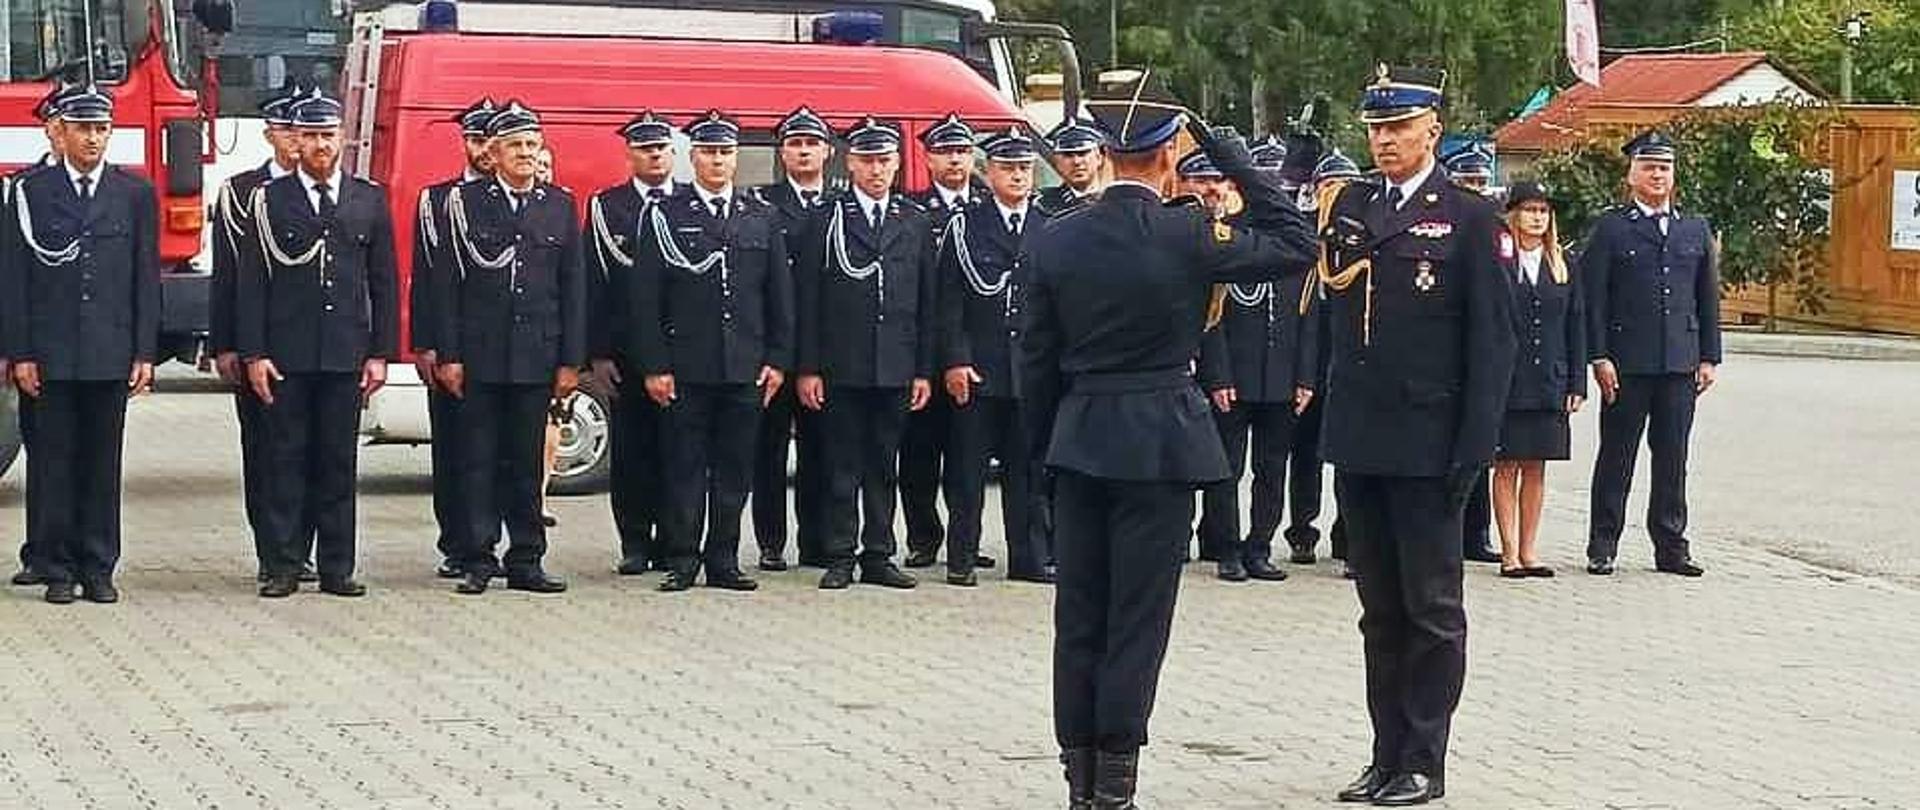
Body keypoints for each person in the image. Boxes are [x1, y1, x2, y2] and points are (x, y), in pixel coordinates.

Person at [1020, 68, 1317, 808]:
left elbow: (1035, 358)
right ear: (1165, 156)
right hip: (1159, 441)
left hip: (1081, 436)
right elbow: (1294, 237)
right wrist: (1223, 146)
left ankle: (1080, 779)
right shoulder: (1190, 232)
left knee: (1079, 617)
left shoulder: (1056, 239)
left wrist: (1042, 451)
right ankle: (1116, 784)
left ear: (1107, 153)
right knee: (1137, 622)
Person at [1316, 65, 1514, 806]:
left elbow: (1493, 347)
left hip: (1432, 444)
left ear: (1432, 129)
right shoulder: (1353, 204)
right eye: (1374, 128)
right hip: (1362, 436)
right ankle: (1385, 751)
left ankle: (1425, 758)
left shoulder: (1467, 219)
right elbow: (1330, 320)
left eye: (1398, 128)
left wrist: (1475, 448)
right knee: (1380, 611)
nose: (1384, 141)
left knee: (1431, 609)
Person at [3, 85, 161, 605]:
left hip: (108, 353)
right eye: (84, 129)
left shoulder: (132, 194)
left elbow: (144, 280)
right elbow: (14, 279)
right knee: (53, 463)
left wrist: (143, 352)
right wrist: (20, 352)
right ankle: (58, 567)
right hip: (49, 354)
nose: (94, 139)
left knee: (101, 464)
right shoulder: (30, 192)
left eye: (101, 129)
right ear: (60, 132)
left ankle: (99, 566)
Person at [238, 89, 398, 598]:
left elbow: (383, 282)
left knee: (336, 463)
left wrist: (380, 353)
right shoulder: (268, 200)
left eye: (328, 135)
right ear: (296, 142)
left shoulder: (367, 199)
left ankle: (337, 567)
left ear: (343, 140)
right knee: (285, 461)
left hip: (344, 353)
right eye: (310, 136)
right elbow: (252, 283)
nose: (320, 145)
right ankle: (284, 565)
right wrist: (255, 354)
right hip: (287, 354)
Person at [631, 110, 794, 593]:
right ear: (692, 157)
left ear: (736, 157)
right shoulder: (666, 215)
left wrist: (778, 359)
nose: (718, 161)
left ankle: (723, 558)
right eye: (708, 152)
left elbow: (778, 297)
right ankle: (682, 558)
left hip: (744, 366)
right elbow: (646, 300)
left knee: (734, 469)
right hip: (687, 365)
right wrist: (655, 365)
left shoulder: (760, 215)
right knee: (684, 468)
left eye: (725, 152)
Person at [431, 101, 585, 596]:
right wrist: (449, 354)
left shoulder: (558, 205)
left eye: (531, 144)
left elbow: (573, 288)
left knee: (525, 462)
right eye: (514, 145)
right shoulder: (466, 205)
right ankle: (478, 557)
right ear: (492, 154)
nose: (524, 153)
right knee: (478, 460)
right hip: (480, 355)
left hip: (536, 355)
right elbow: (447, 287)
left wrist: (569, 360)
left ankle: (527, 558)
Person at [793, 116, 934, 592]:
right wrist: (808, 366)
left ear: (897, 164)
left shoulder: (912, 220)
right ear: (850, 163)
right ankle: (839, 554)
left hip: (895, 363)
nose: (877, 170)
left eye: (885, 161)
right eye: (868, 160)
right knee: (840, 465)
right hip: (841, 364)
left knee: (883, 464)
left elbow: (926, 302)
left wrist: (921, 369)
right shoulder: (825, 219)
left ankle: (878, 553)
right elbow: (807, 299)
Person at [1583, 131, 1721, 578]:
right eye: (1649, 167)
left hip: (1679, 363)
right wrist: (1598, 355)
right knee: (1617, 456)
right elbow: (1594, 298)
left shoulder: (1693, 229)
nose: (1657, 175)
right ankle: (1603, 543)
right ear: (1631, 175)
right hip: (1627, 363)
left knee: (1673, 458)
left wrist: (1708, 357)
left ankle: (1671, 546)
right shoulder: (1612, 228)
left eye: (1664, 168)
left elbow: (1706, 297)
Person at [1189, 148, 1321, 585]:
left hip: (1282, 378)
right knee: (1226, 467)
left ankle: (1260, 546)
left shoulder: (1295, 247)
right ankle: (1226, 548)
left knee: (1272, 469)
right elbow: (1212, 321)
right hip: (1236, 377)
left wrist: (1305, 377)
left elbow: (1309, 321)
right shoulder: (1228, 239)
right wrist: (1219, 375)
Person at [934, 126, 1053, 587]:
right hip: (979, 367)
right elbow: (949, 302)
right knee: (967, 470)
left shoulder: (1047, 225)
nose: (1019, 176)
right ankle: (962, 556)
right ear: (989, 173)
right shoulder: (966, 225)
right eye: (1009, 168)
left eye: (1025, 168)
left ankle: (1028, 557)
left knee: (1028, 473)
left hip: (1030, 369)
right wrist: (955, 360)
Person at [212, 88, 311, 585]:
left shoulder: (337, 192)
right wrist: (227, 344)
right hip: (260, 345)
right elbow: (229, 277)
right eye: (289, 130)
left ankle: (306, 548)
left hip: (318, 345)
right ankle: (274, 547)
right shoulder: (241, 191)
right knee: (268, 452)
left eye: (308, 131)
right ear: (270, 135)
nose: (300, 142)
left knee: (317, 454)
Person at [585, 110, 679, 575]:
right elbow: (595, 284)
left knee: (678, 454)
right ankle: (636, 542)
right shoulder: (608, 207)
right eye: (645, 148)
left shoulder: (687, 203)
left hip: (683, 351)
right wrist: (597, 352)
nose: (654, 154)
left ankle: (675, 541)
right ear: (630, 154)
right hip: (625, 353)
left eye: (661, 147)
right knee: (633, 455)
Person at [414, 96, 497, 580]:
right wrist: (427, 343)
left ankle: (494, 542)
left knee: (502, 455)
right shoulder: (438, 199)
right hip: (453, 345)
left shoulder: (528, 195)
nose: (485, 150)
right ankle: (457, 543)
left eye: (491, 140)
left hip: (504, 349)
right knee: (455, 450)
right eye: (477, 139)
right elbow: (427, 278)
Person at [753, 106, 835, 572]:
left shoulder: (840, 203)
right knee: (768, 453)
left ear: (827, 151)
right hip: (774, 349)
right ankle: (770, 541)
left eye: (811, 143)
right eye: (794, 144)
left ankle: (817, 539)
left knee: (821, 451)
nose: (803, 151)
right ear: (781, 152)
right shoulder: (762, 205)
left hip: (823, 350)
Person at [901, 112, 984, 571]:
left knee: (966, 455)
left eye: (962, 151)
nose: (955, 160)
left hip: (973, 351)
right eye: (946, 152)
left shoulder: (988, 207)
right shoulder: (913, 211)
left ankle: (964, 539)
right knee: (920, 452)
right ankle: (923, 536)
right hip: (922, 350)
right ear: (928, 158)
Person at [1492, 181, 1584, 579]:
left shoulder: (1562, 264)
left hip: (1549, 378)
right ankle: (1509, 552)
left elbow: (1576, 325)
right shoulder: (1498, 261)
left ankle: (1530, 550)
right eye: (1529, 210)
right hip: (1508, 380)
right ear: (1513, 215)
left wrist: (1576, 382)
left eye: (1543, 211)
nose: (1537, 218)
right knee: (1506, 464)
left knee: (1536, 466)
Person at [6, 82, 78, 589]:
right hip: (43, 345)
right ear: (50, 130)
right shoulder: (25, 190)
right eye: (56, 125)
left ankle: (71, 551)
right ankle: (42, 550)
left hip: (84, 345)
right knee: (44, 452)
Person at [1291, 149, 1363, 574]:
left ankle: (1349, 538)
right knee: (1305, 454)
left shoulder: (1364, 235)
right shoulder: (1302, 236)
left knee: (1351, 457)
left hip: (1351, 363)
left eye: (1343, 187)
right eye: (1328, 186)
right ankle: (1302, 531)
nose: (1335, 194)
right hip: (1308, 362)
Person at [1442, 144, 1504, 565]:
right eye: (1468, 182)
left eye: (1481, 182)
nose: (1475, 189)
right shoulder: (1444, 225)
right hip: (1446, 363)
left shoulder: (1495, 229)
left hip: (1483, 360)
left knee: (1480, 457)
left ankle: (1477, 534)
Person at [1035, 117, 1106, 217]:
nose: (1076, 162)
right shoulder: (1043, 206)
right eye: (1068, 155)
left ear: (1099, 158)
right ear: (1057, 162)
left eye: (1082, 153)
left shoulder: (1116, 202)